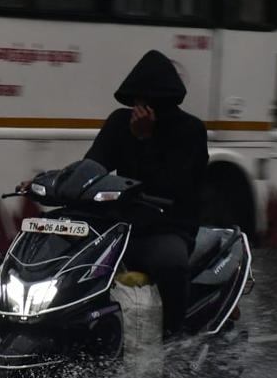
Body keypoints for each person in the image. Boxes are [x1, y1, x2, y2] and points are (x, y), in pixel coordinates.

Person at [84, 49, 208, 338]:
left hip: (168, 227)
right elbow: (92, 165)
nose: (139, 106)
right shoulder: (119, 123)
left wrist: (145, 140)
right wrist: (54, 182)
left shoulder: (189, 130)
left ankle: (174, 339)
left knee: (171, 263)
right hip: (122, 226)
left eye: (147, 101)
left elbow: (174, 187)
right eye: (136, 100)